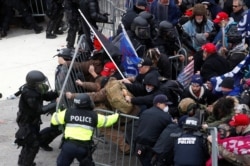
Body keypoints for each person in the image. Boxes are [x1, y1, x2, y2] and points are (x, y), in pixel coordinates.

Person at [50, 93, 120, 166]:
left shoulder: (68, 112)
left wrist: (57, 114)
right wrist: (117, 115)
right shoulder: (94, 116)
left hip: (68, 146)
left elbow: (54, 119)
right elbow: (107, 121)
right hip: (83, 148)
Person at [14, 70, 58, 166]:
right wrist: (55, 104)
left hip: (33, 120)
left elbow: (45, 96)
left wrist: (57, 93)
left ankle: (25, 162)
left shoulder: (35, 90)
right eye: (40, 83)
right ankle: (25, 164)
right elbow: (39, 110)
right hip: (27, 122)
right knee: (31, 144)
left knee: (32, 142)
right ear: (34, 84)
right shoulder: (29, 95)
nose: (43, 85)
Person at [135, 94, 173, 166]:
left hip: (140, 144)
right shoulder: (166, 117)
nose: (167, 106)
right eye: (165, 104)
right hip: (153, 146)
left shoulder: (145, 112)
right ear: (158, 104)